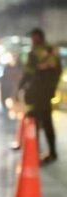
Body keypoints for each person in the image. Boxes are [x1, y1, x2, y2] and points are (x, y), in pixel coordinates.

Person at [19, 27, 61, 164]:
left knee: (33, 120)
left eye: (32, 37)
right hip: (46, 93)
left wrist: (20, 87)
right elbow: (58, 71)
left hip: (38, 93)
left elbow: (28, 73)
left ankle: (33, 152)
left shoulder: (35, 52)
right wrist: (52, 89)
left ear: (36, 38)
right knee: (46, 122)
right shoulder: (51, 51)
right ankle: (52, 152)